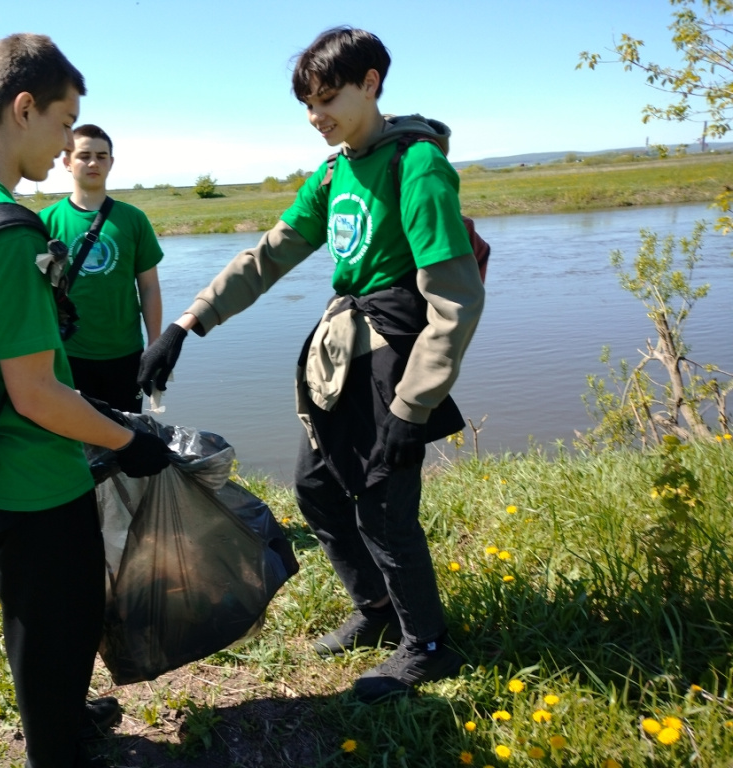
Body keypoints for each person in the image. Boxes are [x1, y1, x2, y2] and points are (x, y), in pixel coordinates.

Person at [137, 26, 485, 703]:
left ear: (373, 83)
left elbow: (455, 299)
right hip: (342, 354)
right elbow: (271, 254)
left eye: (329, 98)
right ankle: (379, 611)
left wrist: (413, 407)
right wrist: (186, 323)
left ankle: (428, 646)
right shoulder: (333, 172)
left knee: (385, 507)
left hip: (393, 357)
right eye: (307, 104)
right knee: (318, 490)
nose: (315, 116)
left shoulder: (415, 166)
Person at [0, 34, 171, 767]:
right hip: (29, 470)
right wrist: (129, 441)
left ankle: (59, 712)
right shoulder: (6, 232)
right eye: (65, 123)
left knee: (32, 608)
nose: (68, 144)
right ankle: (56, 750)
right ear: (24, 108)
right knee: (61, 614)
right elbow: (36, 394)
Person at [40, 124, 163, 412]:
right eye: (84, 155)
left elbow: (149, 286)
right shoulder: (45, 222)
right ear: (67, 162)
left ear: (111, 163)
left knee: (126, 439)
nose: (93, 162)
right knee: (77, 445)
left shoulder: (133, 219)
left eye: (101, 155)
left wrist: (155, 344)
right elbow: (34, 292)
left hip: (126, 354)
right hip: (68, 354)